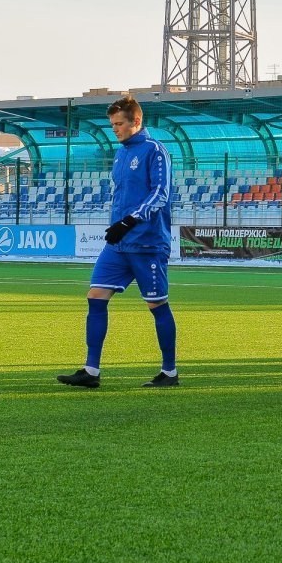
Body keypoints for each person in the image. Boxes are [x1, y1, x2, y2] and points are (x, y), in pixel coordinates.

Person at [59, 97, 178, 388]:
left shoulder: (155, 151)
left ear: (135, 121)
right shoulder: (121, 154)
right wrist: (119, 223)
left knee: (156, 304)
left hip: (147, 243)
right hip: (119, 244)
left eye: (119, 124)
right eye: (112, 125)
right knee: (95, 296)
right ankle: (91, 371)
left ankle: (170, 372)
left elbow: (160, 193)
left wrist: (130, 221)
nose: (115, 129)